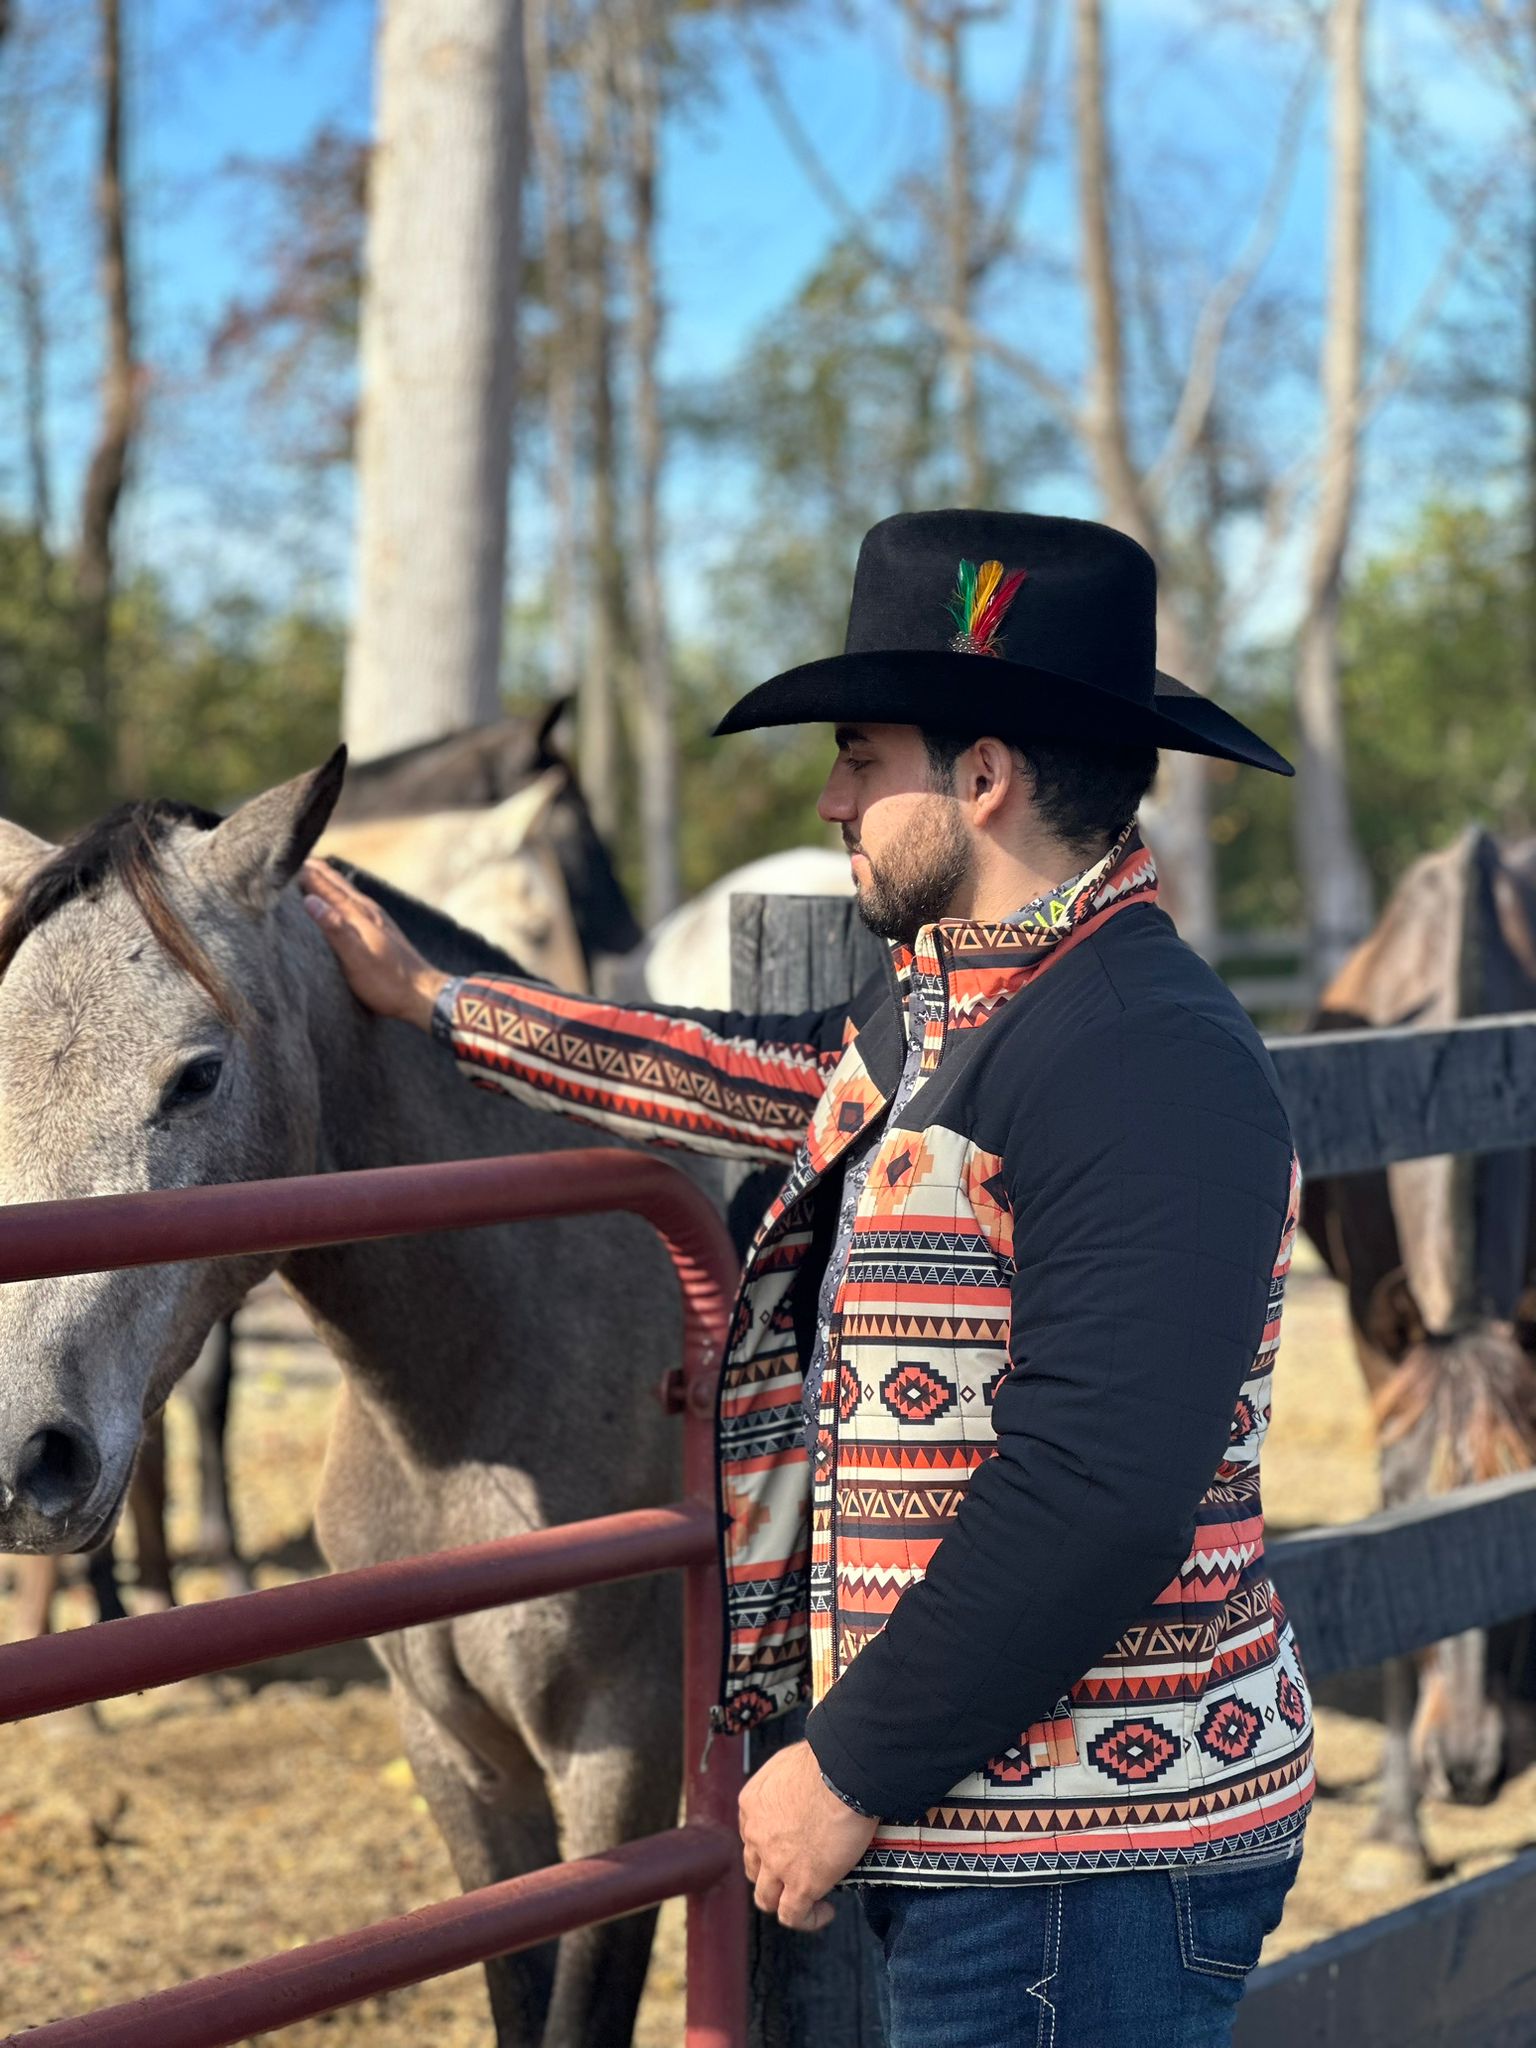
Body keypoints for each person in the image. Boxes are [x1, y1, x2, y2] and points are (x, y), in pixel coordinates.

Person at [301, 510, 1311, 2047]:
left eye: (860, 754)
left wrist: (847, 1771)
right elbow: (749, 1073)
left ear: (984, 779)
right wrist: (444, 1005)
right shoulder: (968, 1012)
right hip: (997, 1823)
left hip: (1086, 1857)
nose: (831, 799)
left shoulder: (1138, 1055)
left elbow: (1101, 1484)